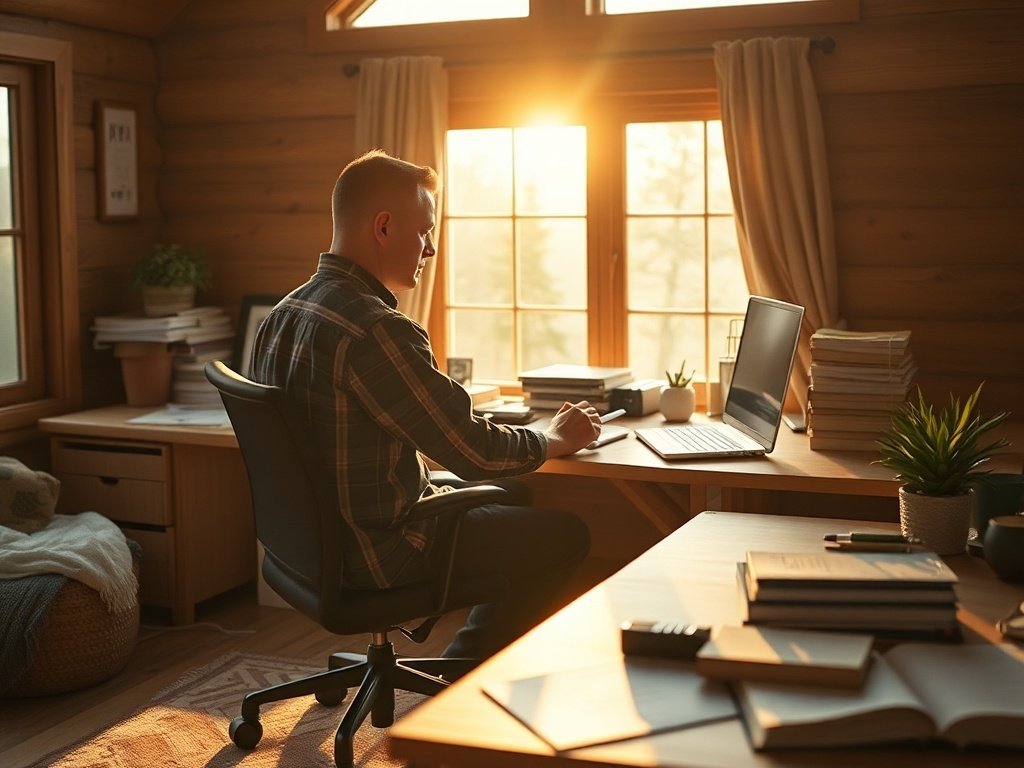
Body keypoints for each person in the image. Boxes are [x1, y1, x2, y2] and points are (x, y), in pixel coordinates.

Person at [249, 149, 604, 660]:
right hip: (379, 553)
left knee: (515, 491)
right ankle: (460, 674)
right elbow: (472, 450)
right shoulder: (376, 330)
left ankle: (466, 661)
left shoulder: (282, 314)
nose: (432, 248)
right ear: (385, 227)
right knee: (566, 536)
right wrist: (553, 438)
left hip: (309, 550)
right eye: (424, 231)